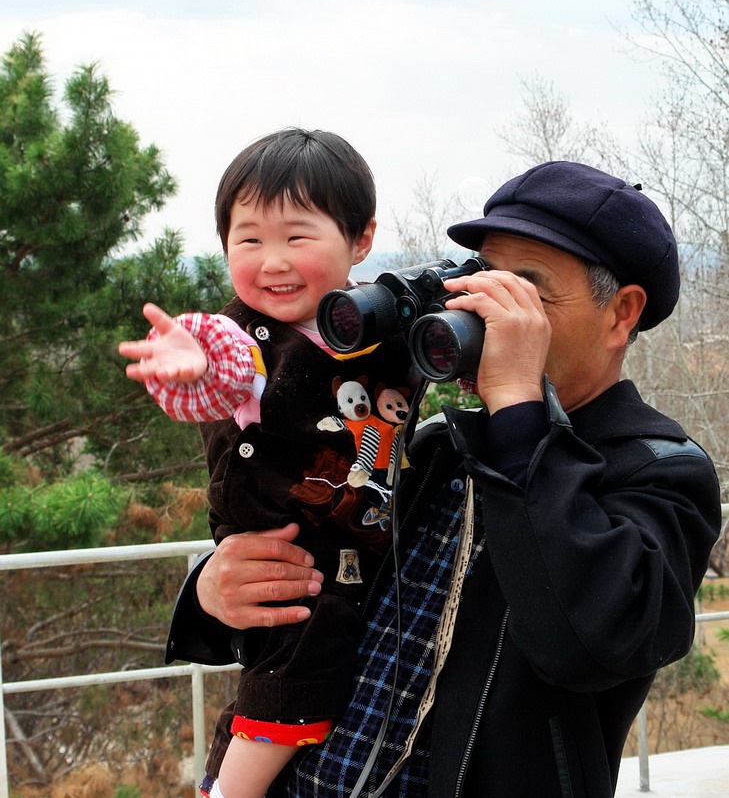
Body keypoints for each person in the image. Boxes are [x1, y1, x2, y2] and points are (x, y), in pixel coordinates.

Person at [168, 160, 722, 797]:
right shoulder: (439, 446)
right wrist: (213, 591)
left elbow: (594, 641)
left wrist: (518, 404)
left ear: (621, 312)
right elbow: (316, 544)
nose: (488, 311)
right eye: (483, 281)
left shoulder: (660, 470)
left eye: (528, 292)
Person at [118, 128, 415, 798]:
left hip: (356, 536)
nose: (272, 261)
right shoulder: (240, 334)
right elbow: (226, 372)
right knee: (295, 666)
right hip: (280, 538)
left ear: (360, 240)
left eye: (296, 237)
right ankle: (229, 791)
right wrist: (192, 365)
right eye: (248, 239)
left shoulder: (380, 324)